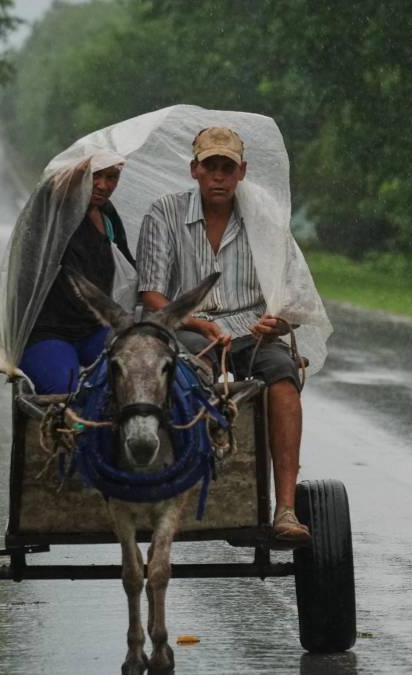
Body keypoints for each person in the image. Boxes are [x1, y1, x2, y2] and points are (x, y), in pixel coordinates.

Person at [135, 126, 312, 547]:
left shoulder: (263, 220)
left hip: (251, 333)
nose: (218, 176)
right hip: (186, 330)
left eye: (227, 168)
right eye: (210, 166)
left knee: (283, 375)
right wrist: (194, 321)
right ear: (194, 170)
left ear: (242, 172)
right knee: (193, 372)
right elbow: (152, 294)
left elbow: (288, 298)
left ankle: (284, 507)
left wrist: (278, 322)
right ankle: (182, 481)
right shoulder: (165, 213)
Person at [17, 159, 135, 394]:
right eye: (94, 176)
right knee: (66, 393)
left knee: (135, 376)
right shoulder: (51, 214)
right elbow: (48, 191)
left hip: (95, 328)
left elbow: (129, 266)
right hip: (47, 332)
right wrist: (82, 162)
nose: (102, 185)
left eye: (111, 177)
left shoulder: (107, 214)